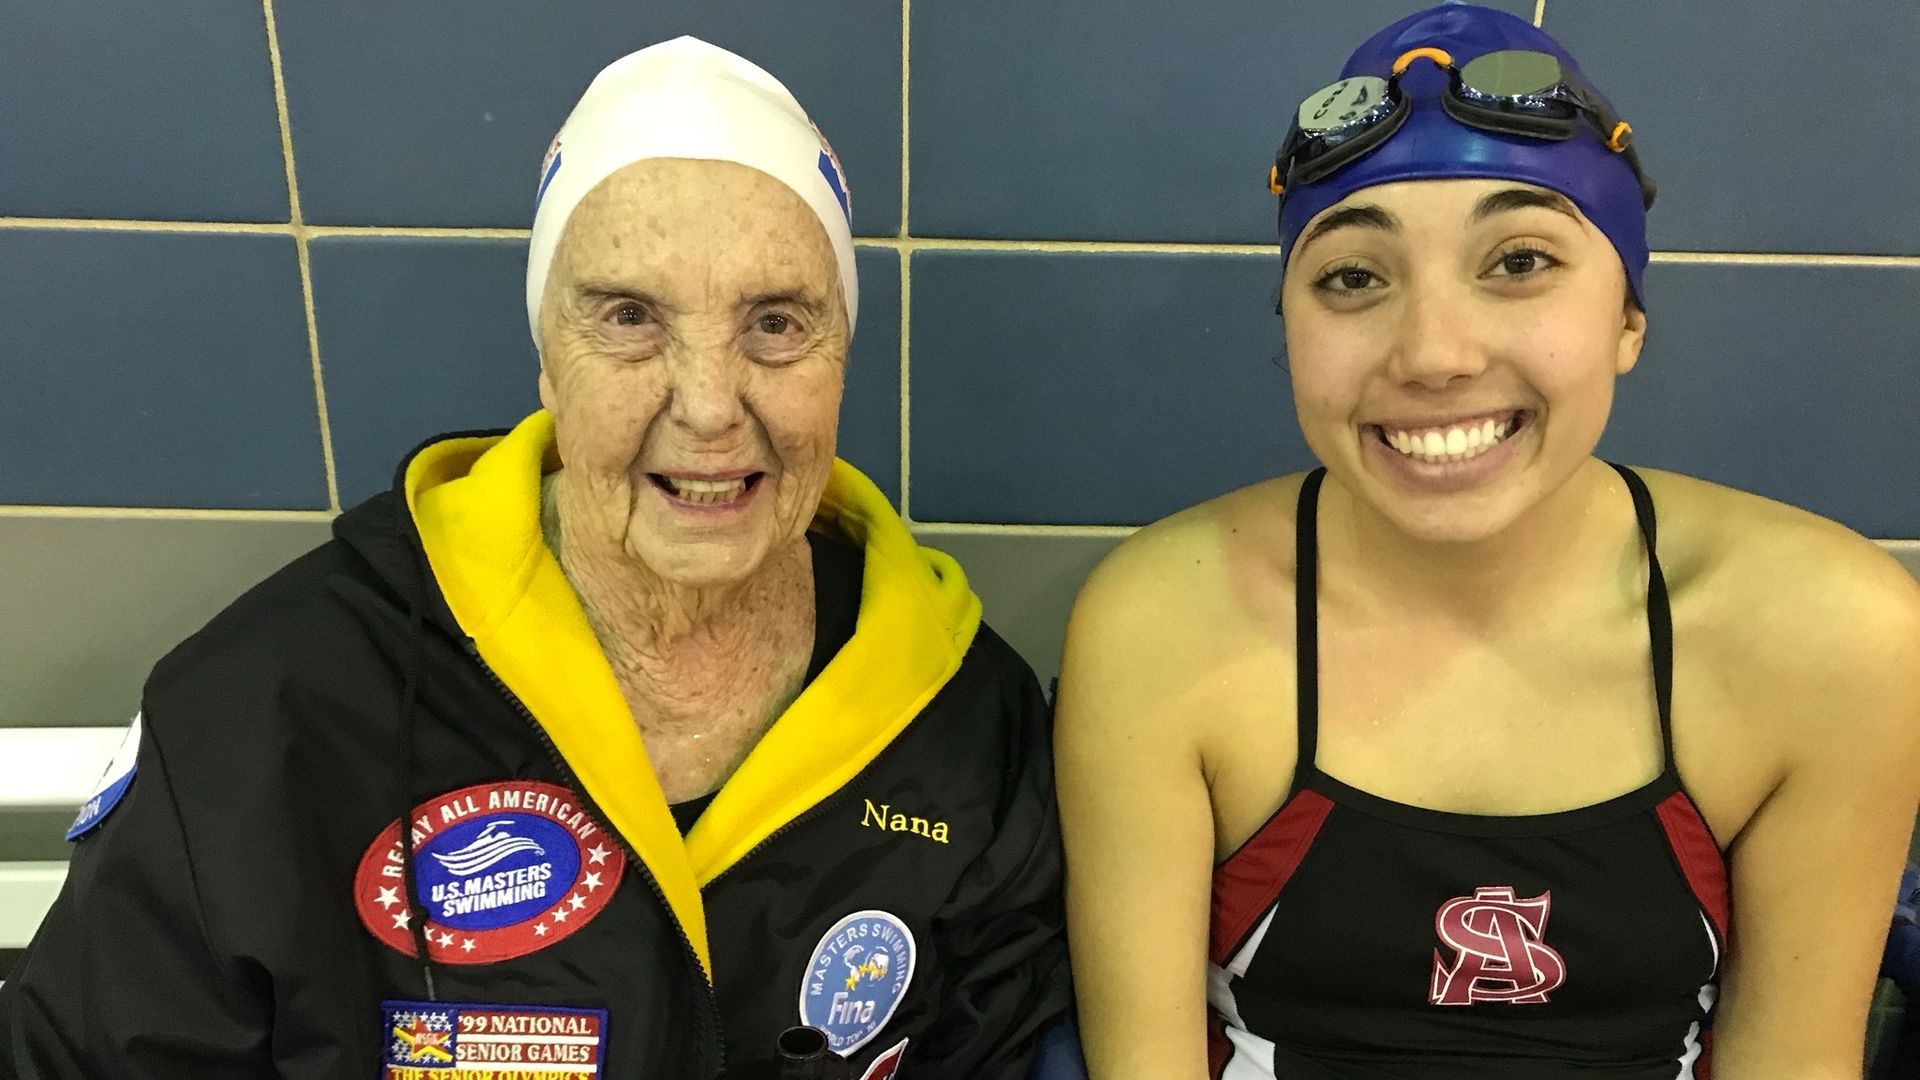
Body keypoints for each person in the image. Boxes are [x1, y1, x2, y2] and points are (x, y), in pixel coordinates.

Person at [1, 37, 1068, 1080]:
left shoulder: (969, 728)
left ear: (842, 354)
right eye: (630, 320)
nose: (708, 405)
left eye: (777, 324)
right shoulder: (269, 714)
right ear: (549, 359)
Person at [1054, 5, 1920, 1078]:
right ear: (1290, 333)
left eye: (1518, 261)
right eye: (1353, 278)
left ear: (1628, 320)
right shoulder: (1163, 626)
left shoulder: (1828, 634)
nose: (1434, 353)